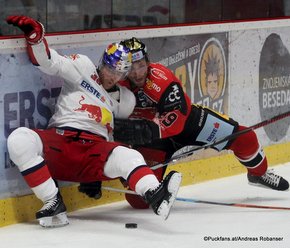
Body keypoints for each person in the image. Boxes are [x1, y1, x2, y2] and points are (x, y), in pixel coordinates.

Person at [5, 16, 182, 227]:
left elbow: (114, 137)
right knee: (19, 140)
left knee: (130, 156)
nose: (112, 76)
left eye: (119, 72)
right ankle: (52, 200)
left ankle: (155, 194)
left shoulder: (126, 100)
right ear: (102, 62)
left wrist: (95, 177)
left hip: (92, 152)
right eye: (109, 68)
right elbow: (49, 61)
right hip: (59, 142)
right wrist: (35, 38)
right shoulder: (82, 67)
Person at [113, 37, 289, 208]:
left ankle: (259, 174)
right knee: (138, 200)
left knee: (246, 138)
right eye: (131, 67)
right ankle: (158, 184)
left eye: (141, 65)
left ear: (148, 61)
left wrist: (147, 129)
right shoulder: (115, 86)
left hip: (189, 124)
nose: (137, 73)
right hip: (153, 142)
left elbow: (178, 118)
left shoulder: (161, 79)